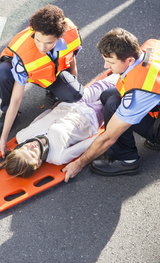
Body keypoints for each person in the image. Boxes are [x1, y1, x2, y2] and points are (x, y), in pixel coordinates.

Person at [62, 28, 160, 182]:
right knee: (108, 95)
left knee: (113, 105)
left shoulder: (140, 91)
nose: (105, 66)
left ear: (129, 61)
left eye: (111, 62)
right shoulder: (151, 46)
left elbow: (108, 138)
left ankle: (127, 160)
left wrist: (79, 163)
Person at [0, 4, 84, 157]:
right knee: (2, 75)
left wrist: (73, 83)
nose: (42, 47)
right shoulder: (24, 55)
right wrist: (3, 140)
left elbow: (71, 59)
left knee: (75, 95)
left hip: (49, 71)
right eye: (38, 40)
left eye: (49, 42)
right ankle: (7, 113)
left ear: (59, 37)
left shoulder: (72, 34)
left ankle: (52, 91)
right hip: (21, 69)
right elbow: (16, 99)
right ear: (33, 31)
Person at [0, 76, 117, 180]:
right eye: (32, 153)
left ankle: (129, 69)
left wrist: (53, 108)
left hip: (70, 104)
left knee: (104, 85)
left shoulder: (22, 136)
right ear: (38, 163)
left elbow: (38, 120)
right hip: (91, 117)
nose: (31, 146)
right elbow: (88, 144)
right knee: (115, 94)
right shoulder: (58, 157)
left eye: (25, 147)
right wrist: (109, 133)